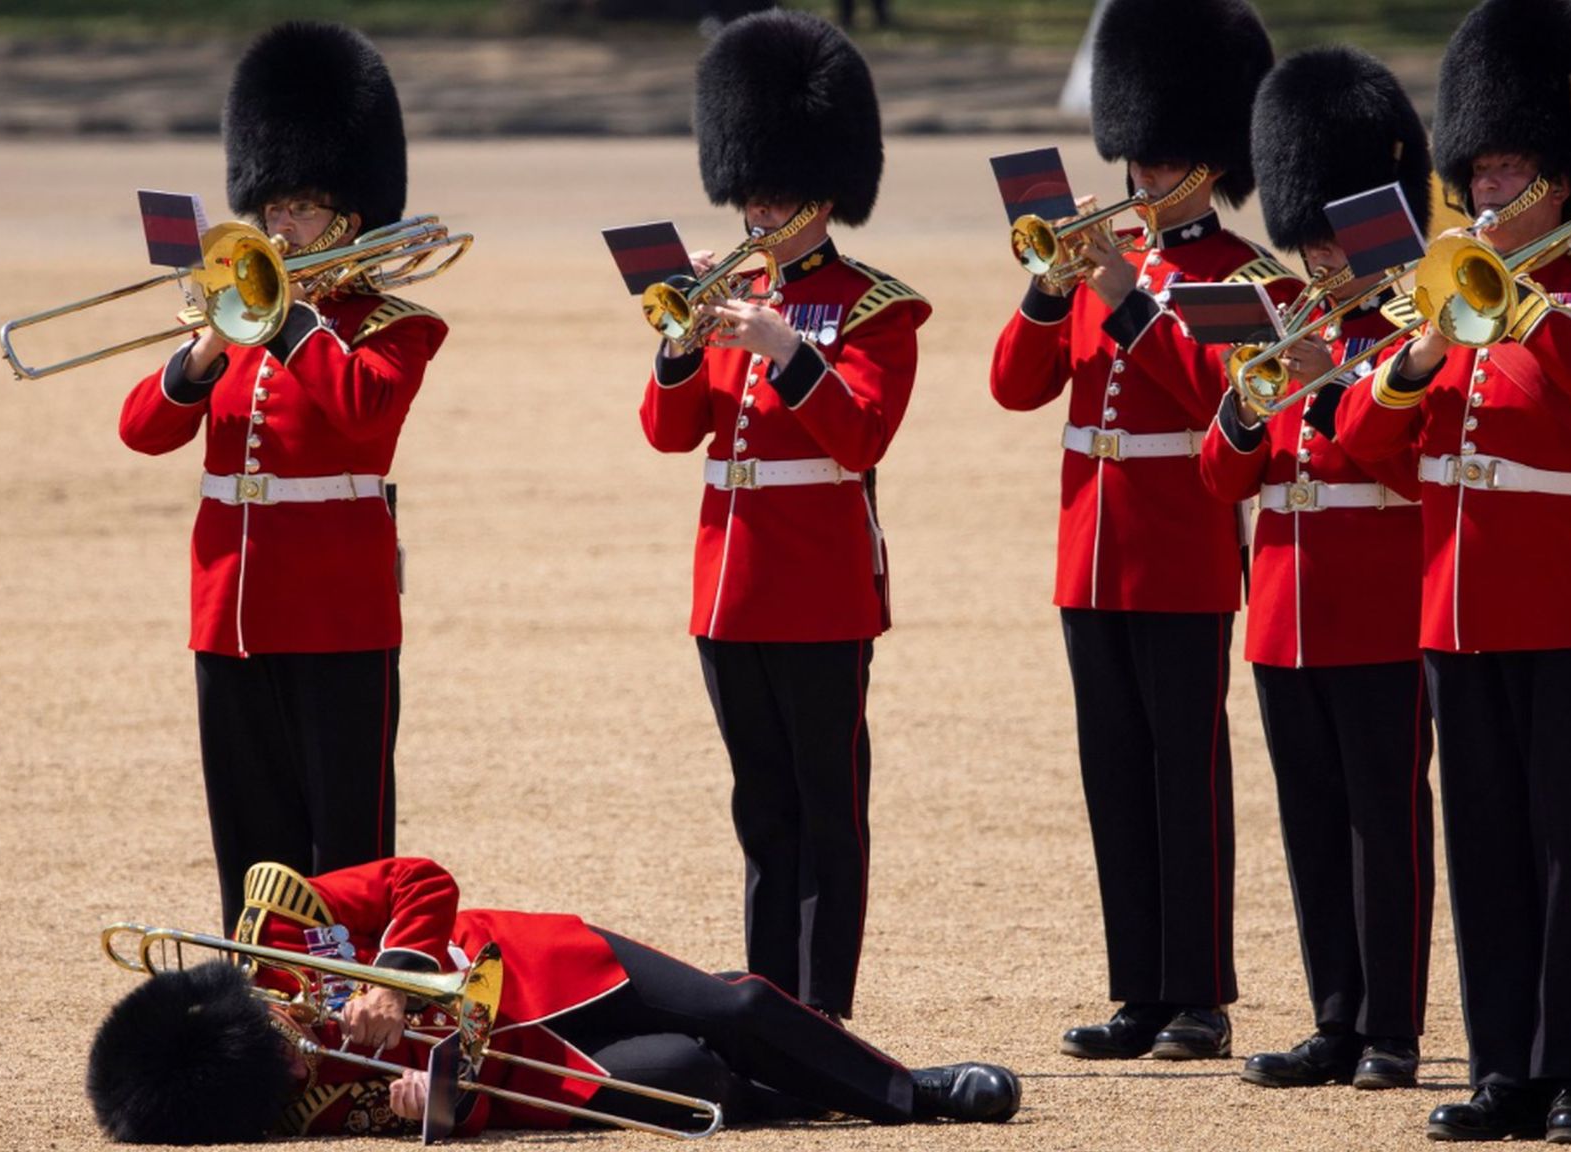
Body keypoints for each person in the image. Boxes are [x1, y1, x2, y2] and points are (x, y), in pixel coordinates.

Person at [1334, 0, 1571, 1139]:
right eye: (1475, 170)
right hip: (1456, 600)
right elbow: (1362, 447)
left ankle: (1570, 1072)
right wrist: (1419, 353)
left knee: (1562, 846)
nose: (1486, 192)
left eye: (1510, 170)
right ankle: (1499, 1073)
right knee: (1478, 841)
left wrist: (1521, 303)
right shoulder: (1440, 286)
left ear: (1557, 177)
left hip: (1568, 593)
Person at [989, 0, 1296, 1063]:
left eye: (1162, 159)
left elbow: (1219, 396)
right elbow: (1013, 387)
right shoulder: (1098, 252)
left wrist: (1126, 302)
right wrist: (1047, 290)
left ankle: (1198, 993)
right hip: (1090, 544)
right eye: (1135, 156)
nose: (1141, 174)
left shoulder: (1244, 279)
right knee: (1111, 770)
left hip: (1180, 543)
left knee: (1183, 769)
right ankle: (1136, 990)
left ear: (1208, 165)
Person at [118, 22, 449, 933]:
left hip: (338, 619)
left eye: (301, 210)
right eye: (272, 208)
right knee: (249, 852)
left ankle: (349, 1039)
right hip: (229, 616)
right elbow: (142, 432)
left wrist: (290, 320)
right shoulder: (234, 326)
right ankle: (263, 1033)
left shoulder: (392, 325)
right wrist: (202, 355)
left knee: (345, 858)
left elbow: (366, 418)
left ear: (348, 218)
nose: (279, 227)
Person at [638, 9, 929, 1022]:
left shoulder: (872, 307)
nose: (755, 211)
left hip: (817, 585)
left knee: (824, 808)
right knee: (759, 806)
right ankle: (765, 1002)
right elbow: (671, 437)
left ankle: (822, 1009)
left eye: (773, 195)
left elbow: (859, 438)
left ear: (820, 192)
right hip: (729, 582)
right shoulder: (724, 295)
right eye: (747, 191)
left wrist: (788, 351)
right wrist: (678, 353)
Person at [86, 857, 1020, 1141]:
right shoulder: (295, 1102)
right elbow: (456, 1112)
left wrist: (403, 990)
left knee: (733, 1009)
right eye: (278, 1073)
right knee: (694, 1074)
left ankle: (917, 1092)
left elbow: (419, 880)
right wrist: (436, 1108)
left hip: (540, 960)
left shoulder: (276, 923)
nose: (297, 1056)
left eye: (275, 1040)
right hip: (532, 1066)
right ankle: (807, 1092)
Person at [1199, 45, 1434, 1092]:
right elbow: (1219, 476)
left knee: (1383, 823)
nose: (1316, 259)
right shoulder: (1287, 328)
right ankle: (1333, 1017)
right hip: (1284, 606)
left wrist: (1321, 381)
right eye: (1306, 242)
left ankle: (1392, 1026)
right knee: (1307, 825)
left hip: (1379, 605)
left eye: (1327, 240)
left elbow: (1378, 453)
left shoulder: (1408, 332)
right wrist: (1249, 401)